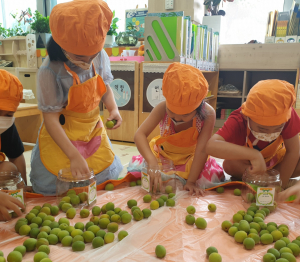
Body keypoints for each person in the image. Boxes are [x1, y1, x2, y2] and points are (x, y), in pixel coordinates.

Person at [30, 0, 123, 195]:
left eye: (93, 55)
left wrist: (113, 108)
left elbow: (104, 86)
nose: (88, 62)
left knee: (102, 181)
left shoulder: (100, 56)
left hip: (91, 130)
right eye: (80, 57)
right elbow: (51, 120)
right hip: (61, 135)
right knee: (61, 186)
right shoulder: (49, 71)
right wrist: (73, 155)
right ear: (61, 45)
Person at [134, 63, 224, 196]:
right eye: (172, 111)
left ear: (198, 107)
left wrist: (192, 182)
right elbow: (139, 135)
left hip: (191, 158)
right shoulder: (161, 108)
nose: (177, 118)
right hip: (164, 155)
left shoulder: (208, 114)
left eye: (185, 115)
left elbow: (202, 149)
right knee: (150, 172)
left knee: (206, 177)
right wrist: (152, 163)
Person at [206, 80, 300, 189]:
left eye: (278, 128)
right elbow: (211, 146)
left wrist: (279, 185)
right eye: (262, 128)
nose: (270, 134)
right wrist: (254, 155)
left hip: (278, 162)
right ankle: (265, 178)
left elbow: (293, 151)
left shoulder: (286, 114)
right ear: (246, 117)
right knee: (229, 165)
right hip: (249, 165)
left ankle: (269, 179)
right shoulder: (238, 119)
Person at [0, 70, 26, 220]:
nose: (2, 119)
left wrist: (23, 186)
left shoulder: (6, 127)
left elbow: (16, 156)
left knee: (9, 169)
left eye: (8, 115)